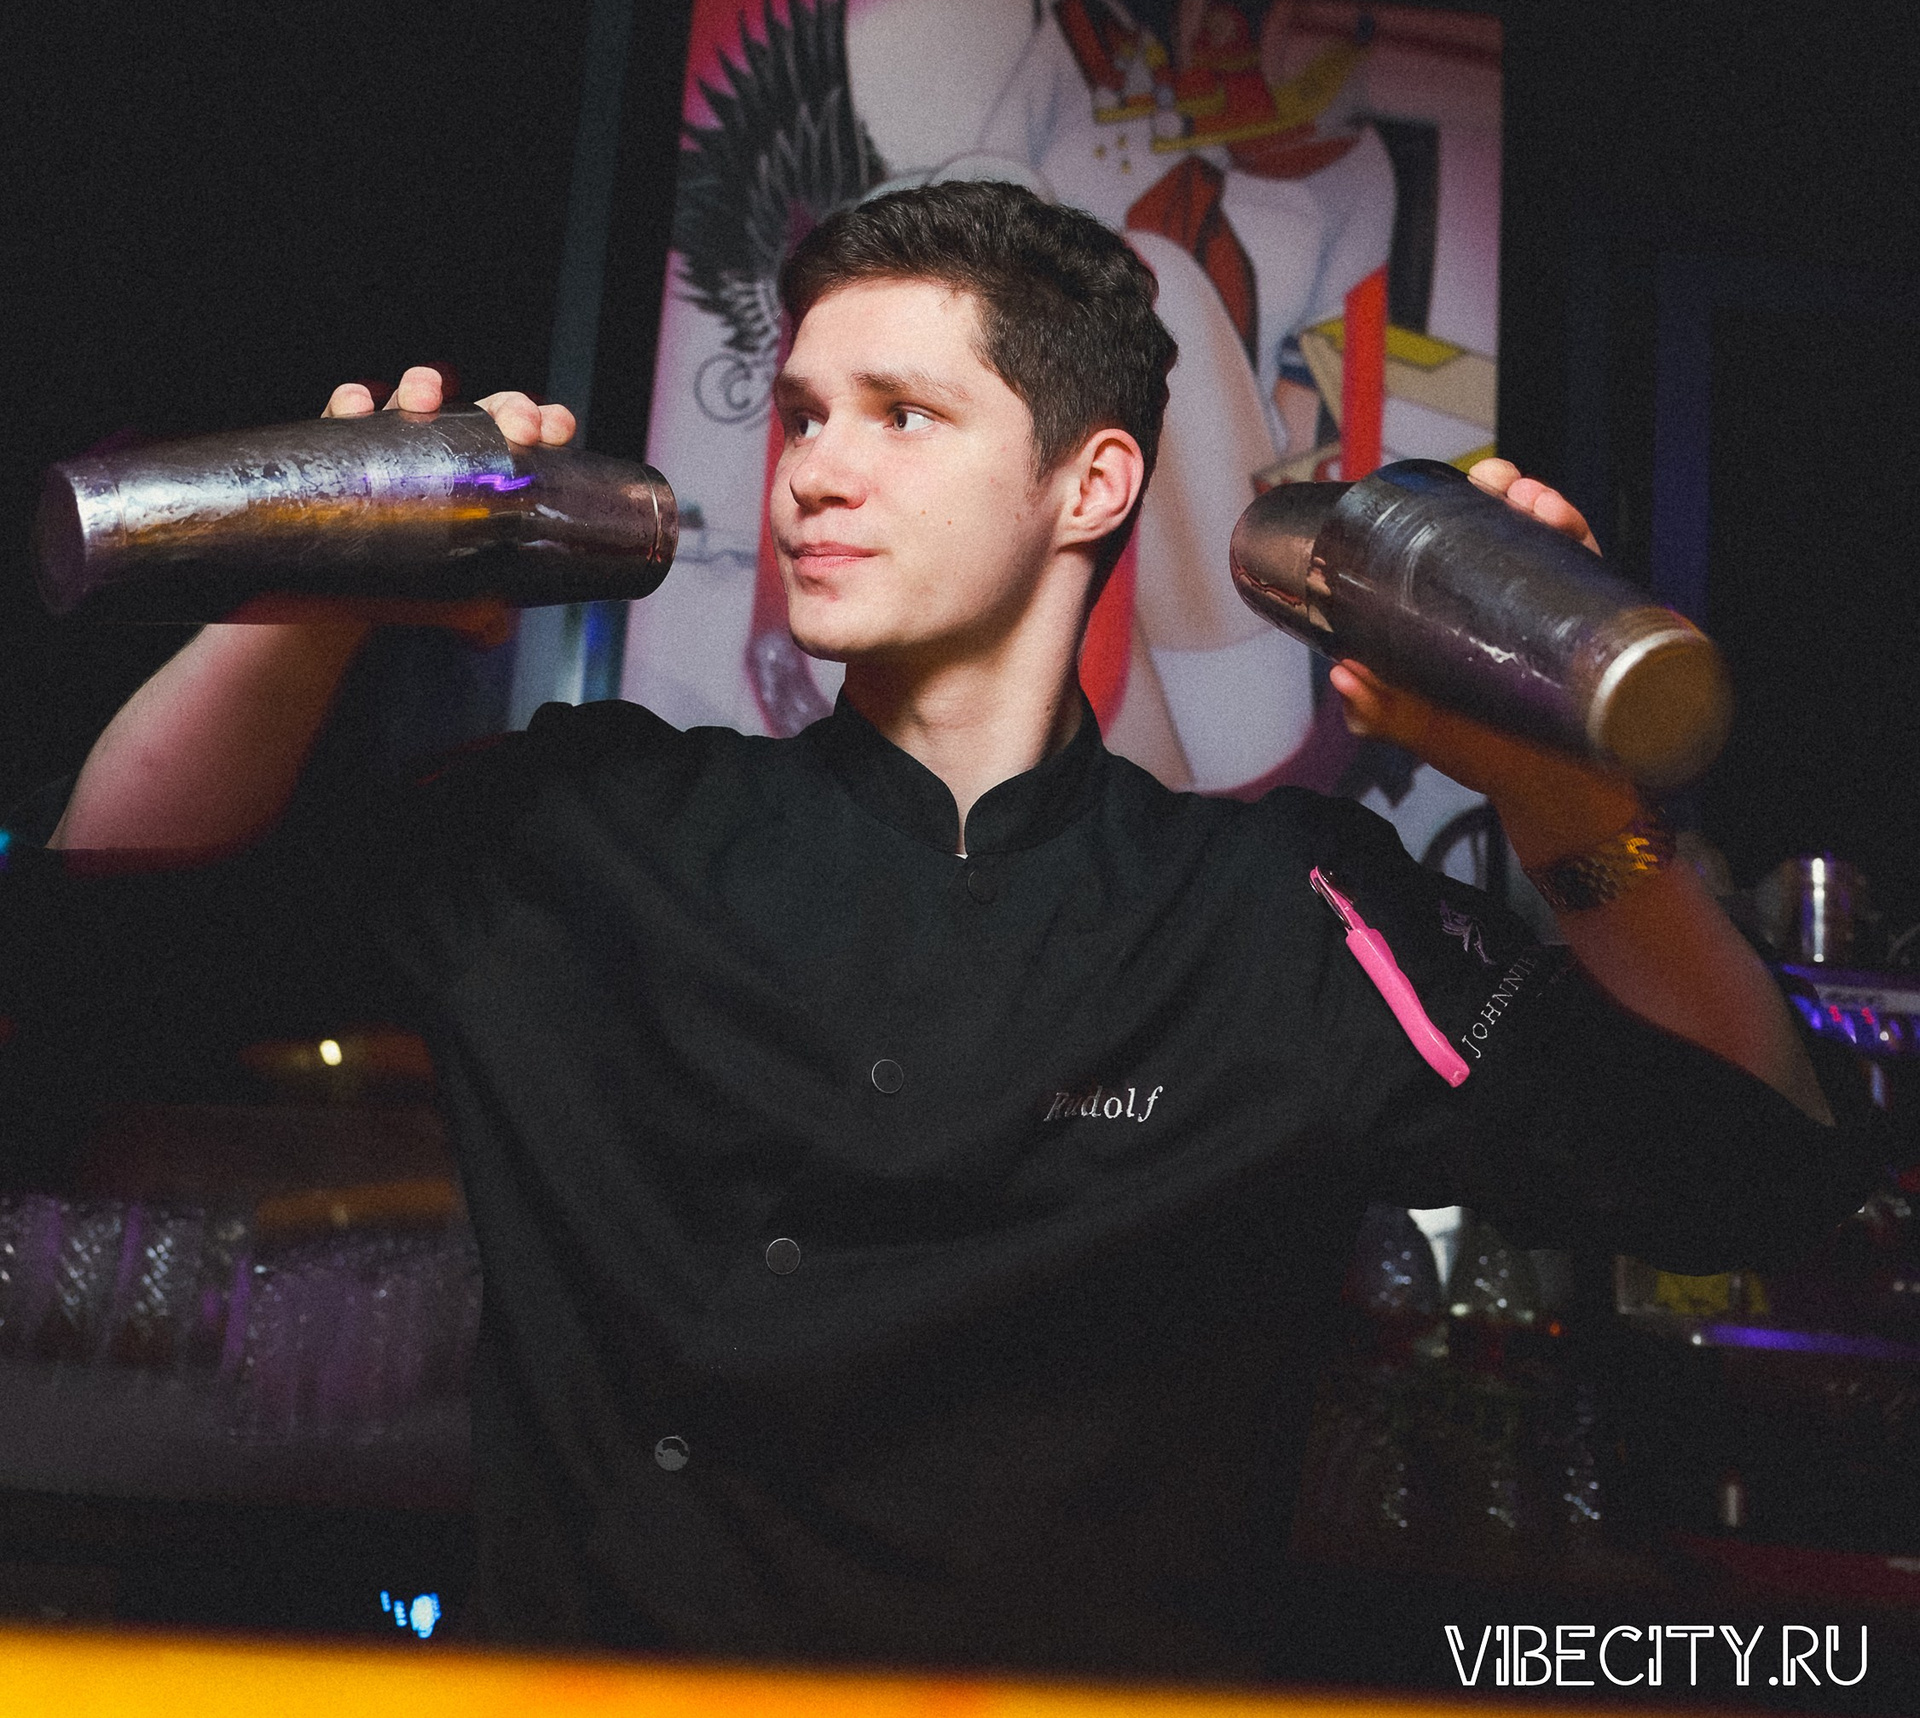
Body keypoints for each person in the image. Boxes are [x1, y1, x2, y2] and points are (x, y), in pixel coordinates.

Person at [46, 181, 1870, 1680]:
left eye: (902, 416)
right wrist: (314, 585)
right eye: (803, 415)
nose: (814, 473)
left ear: (1092, 485)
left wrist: (1563, 799)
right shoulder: (584, 828)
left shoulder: (1282, 913)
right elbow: (94, 951)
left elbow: (1755, 1174)